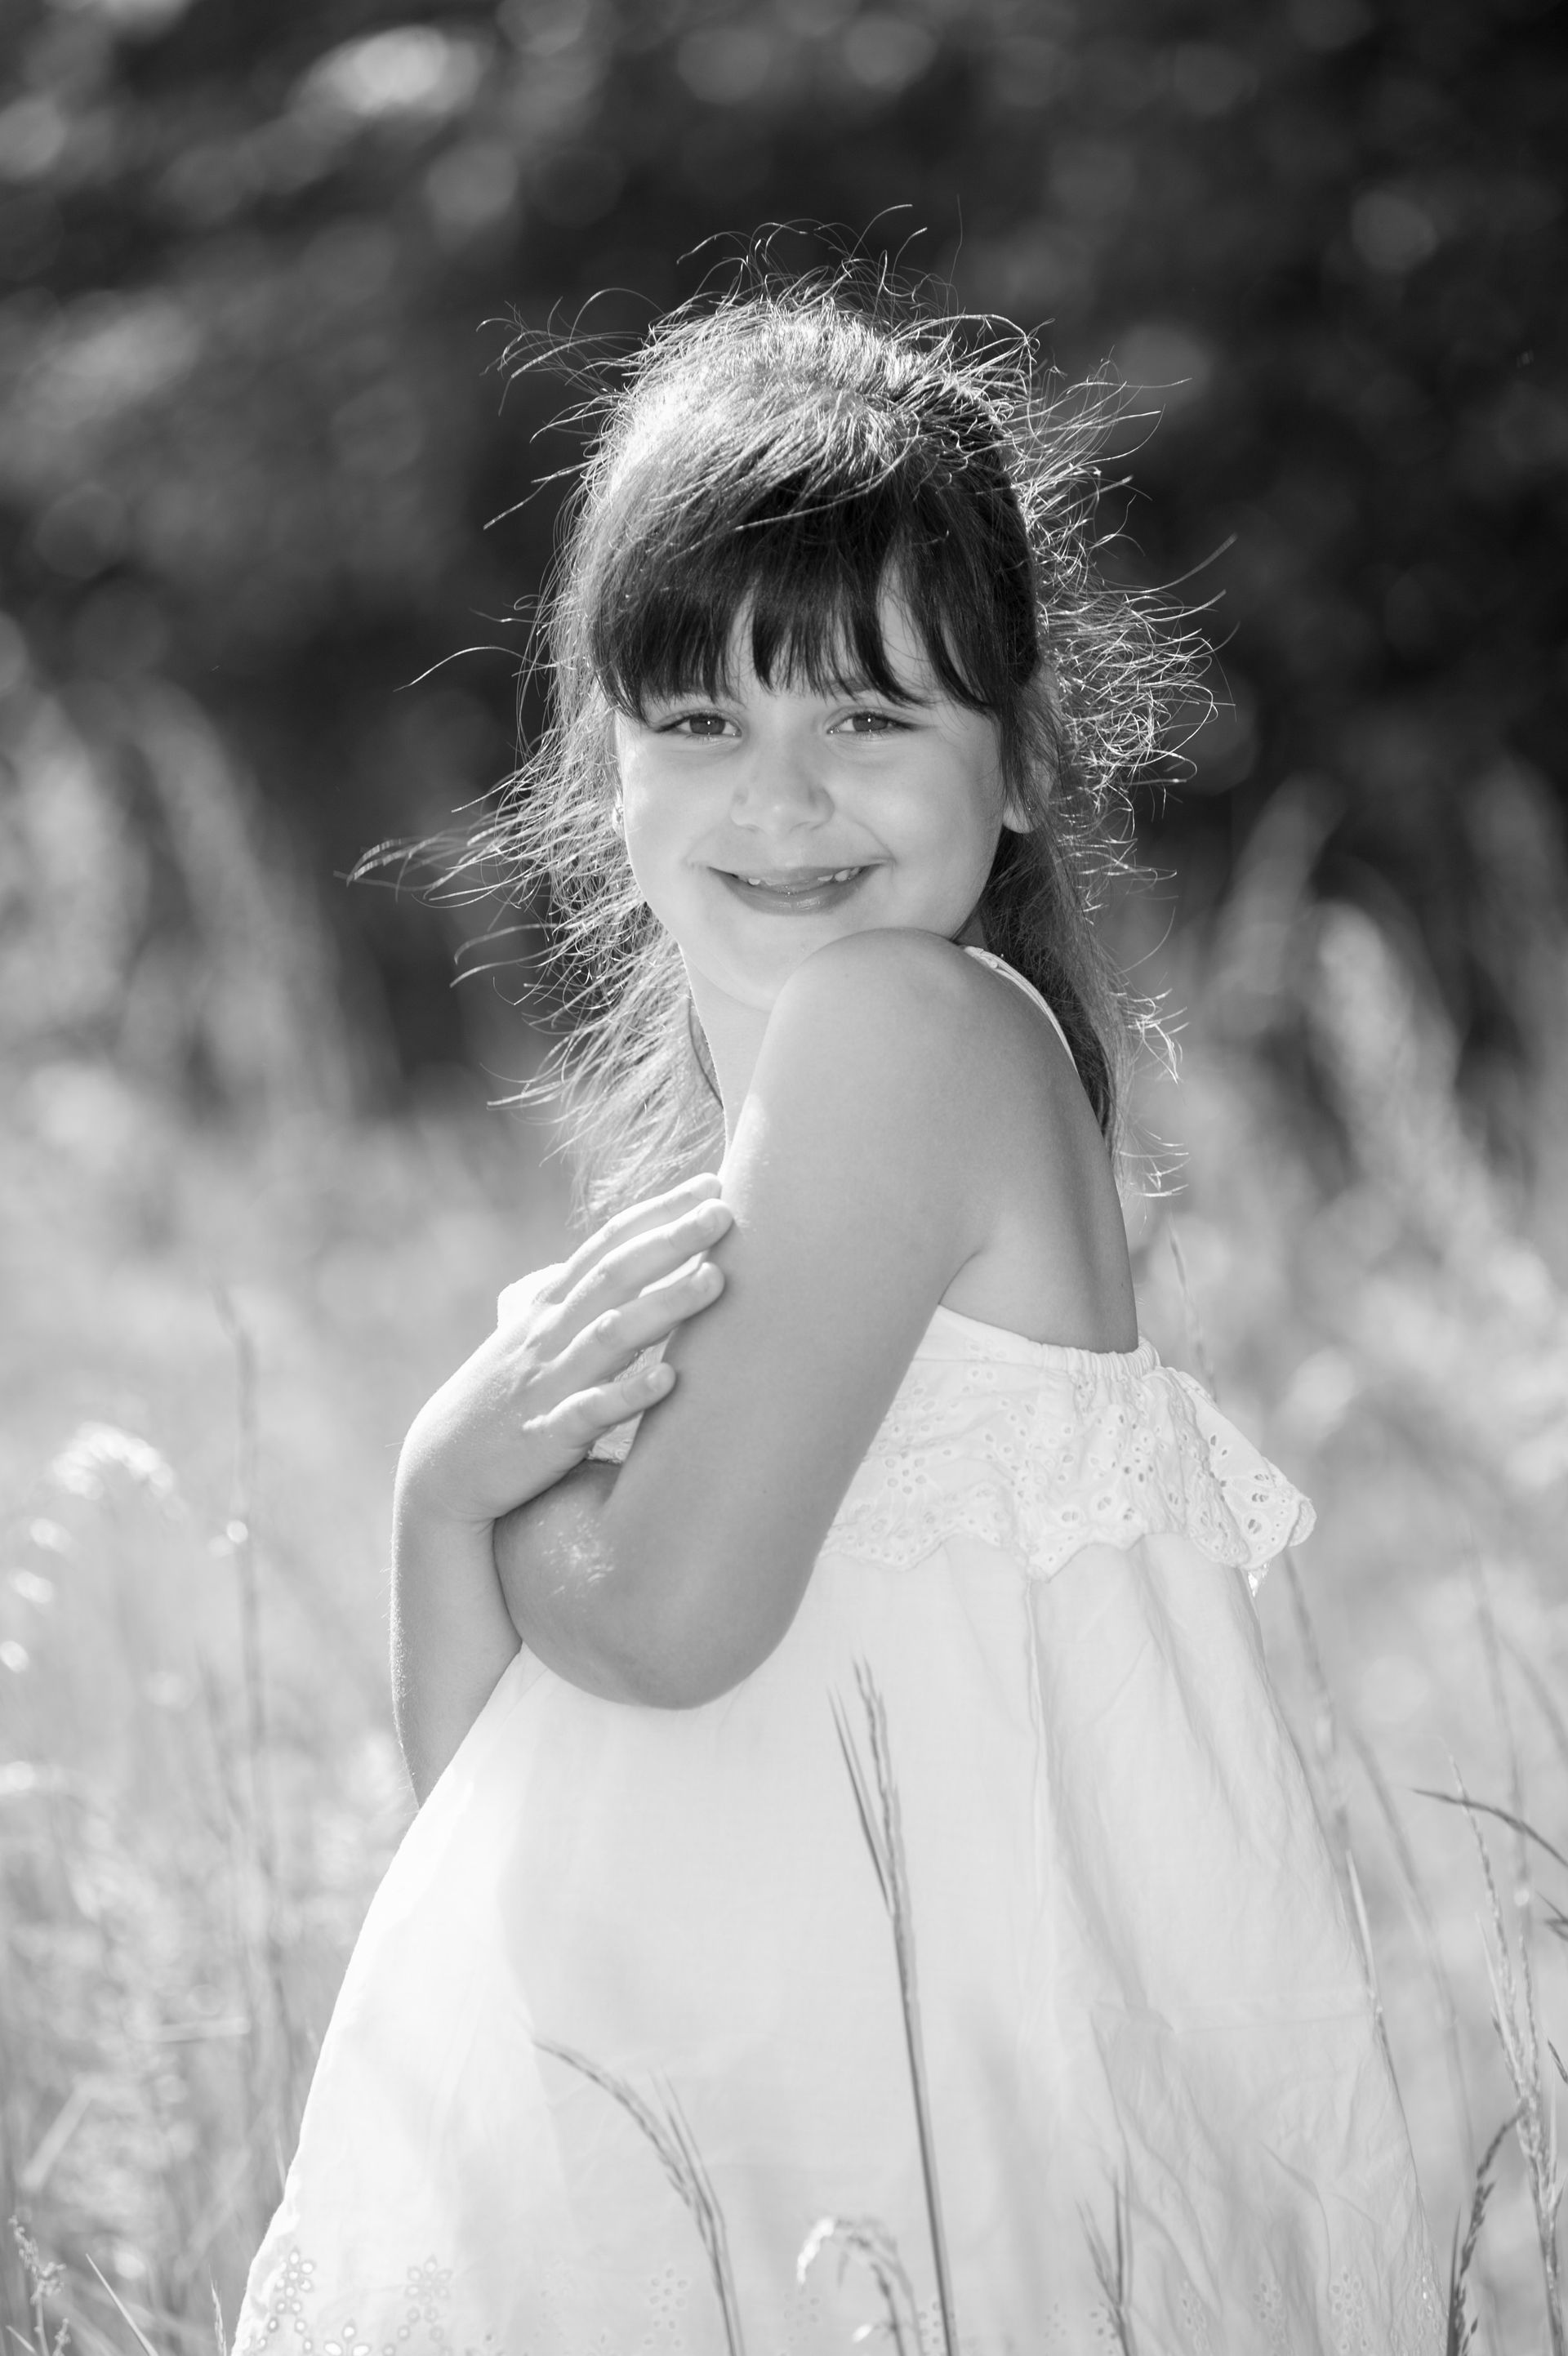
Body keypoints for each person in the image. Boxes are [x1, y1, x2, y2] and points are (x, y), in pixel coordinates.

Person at [235, 279, 1442, 2354]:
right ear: (599, 762)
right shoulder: (743, 1178)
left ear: (1029, 758)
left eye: (868, 721)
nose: (779, 804)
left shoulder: (909, 1034)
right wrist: (452, 1520)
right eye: (700, 722)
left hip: (897, 2163)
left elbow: (668, 1622)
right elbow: (516, 1812)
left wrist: (468, 1482)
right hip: (752, 2149)